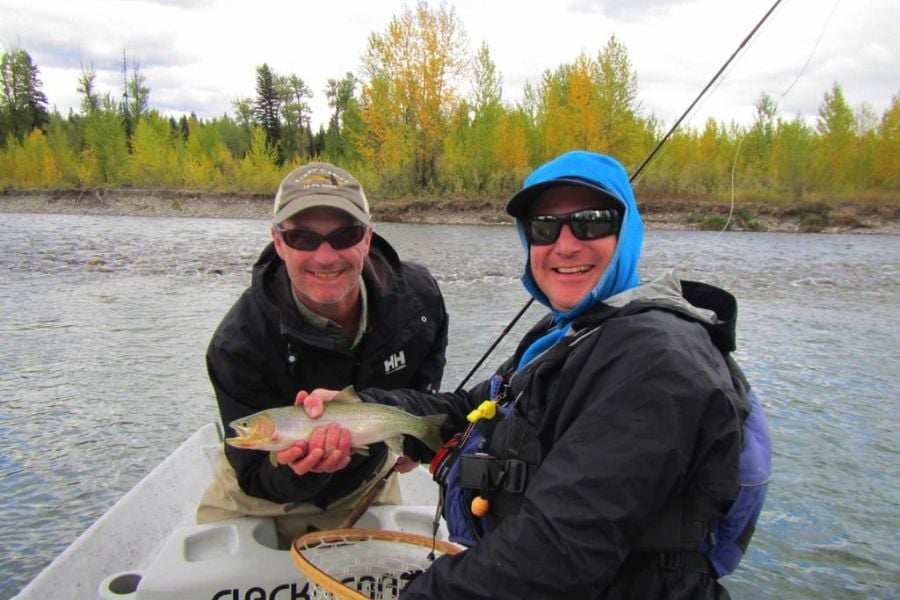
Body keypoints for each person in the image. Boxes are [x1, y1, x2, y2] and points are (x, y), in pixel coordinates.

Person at [300, 150, 770, 598]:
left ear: (627, 233)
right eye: (545, 227)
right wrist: (364, 412)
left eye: (592, 223)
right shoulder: (574, 333)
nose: (565, 245)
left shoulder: (657, 361)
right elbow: (475, 409)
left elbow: (559, 549)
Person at [196, 162, 449, 543]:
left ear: (366, 238)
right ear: (279, 242)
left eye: (344, 235)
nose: (326, 256)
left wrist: (412, 433)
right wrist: (305, 471)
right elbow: (253, 475)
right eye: (303, 239)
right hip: (257, 501)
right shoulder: (238, 344)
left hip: (368, 483)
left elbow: (427, 365)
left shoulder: (419, 299)